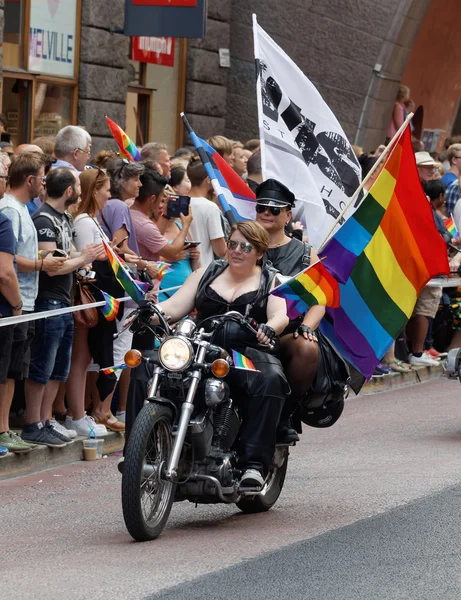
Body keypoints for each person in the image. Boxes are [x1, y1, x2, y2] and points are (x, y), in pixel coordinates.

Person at [126, 220, 289, 488]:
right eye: (232, 244)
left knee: (270, 378)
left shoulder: (271, 279)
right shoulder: (207, 272)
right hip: (201, 347)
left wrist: (270, 329)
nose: (236, 250)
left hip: (244, 351)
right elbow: (175, 305)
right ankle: (139, 454)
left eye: (245, 247)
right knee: (146, 366)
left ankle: (254, 465)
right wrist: (150, 312)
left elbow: (279, 314)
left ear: (259, 252)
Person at [254, 179, 350, 441]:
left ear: (288, 215)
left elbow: (320, 299)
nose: (266, 213)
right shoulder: (243, 244)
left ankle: (286, 414)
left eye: (274, 210)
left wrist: (308, 326)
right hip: (246, 328)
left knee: (307, 347)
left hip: (288, 331)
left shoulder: (306, 253)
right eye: (261, 207)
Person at [21, 168, 104, 447]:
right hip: (49, 301)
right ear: (69, 191)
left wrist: (82, 258)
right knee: (43, 364)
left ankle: (46, 420)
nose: (80, 189)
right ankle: (34, 422)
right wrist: (83, 258)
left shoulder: (64, 218)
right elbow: (54, 267)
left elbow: (66, 257)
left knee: (59, 367)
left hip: (64, 302)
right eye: (78, 184)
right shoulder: (44, 219)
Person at [0, 153, 67, 447]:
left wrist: (41, 258)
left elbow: (18, 255)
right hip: (17, 302)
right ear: (30, 180)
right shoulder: (11, 211)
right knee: (8, 369)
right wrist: (41, 265)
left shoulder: (22, 210)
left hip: (25, 301)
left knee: (14, 369)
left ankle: (5, 429)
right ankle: (4, 430)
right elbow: (9, 264)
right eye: (42, 177)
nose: (44, 184)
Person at [64, 169, 113, 437]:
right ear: (94, 190)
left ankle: (77, 413)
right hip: (85, 298)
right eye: (106, 188)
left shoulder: (91, 221)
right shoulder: (84, 222)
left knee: (83, 358)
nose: (109, 194)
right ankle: (77, 414)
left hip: (92, 299)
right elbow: (83, 267)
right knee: (79, 358)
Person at [0, 213, 32, 454]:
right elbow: (5, 273)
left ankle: (3, 429)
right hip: (4, 312)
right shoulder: (2, 220)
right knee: (4, 373)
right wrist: (17, 306)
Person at [130, 168, 192, 263]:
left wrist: (166, 215)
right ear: (153, 198)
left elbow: (155, 236)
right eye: (161, 197)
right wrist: (186, 226)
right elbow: (172, 253)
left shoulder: (131, 213)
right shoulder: (144, 225)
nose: (161, 203)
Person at [187, 159, 226, 266]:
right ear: (208, 179)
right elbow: (220, 250)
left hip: (183, 267)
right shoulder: (210, 207)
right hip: (203, 269)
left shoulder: (180, 201)